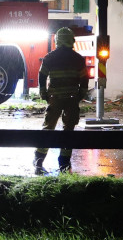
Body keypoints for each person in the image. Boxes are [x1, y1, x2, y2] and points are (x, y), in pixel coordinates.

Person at [33, 27, 89, 174]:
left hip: (55, 99)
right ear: (71, 40)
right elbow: (84, 80)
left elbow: (42, 76)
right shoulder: (78, 59)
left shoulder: (49, 57)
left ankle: (39, 160)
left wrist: (44, 93)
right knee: (68, 131)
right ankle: (64, 163)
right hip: (71, 99)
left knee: (48, 128)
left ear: (57, 40)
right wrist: (80, 96)